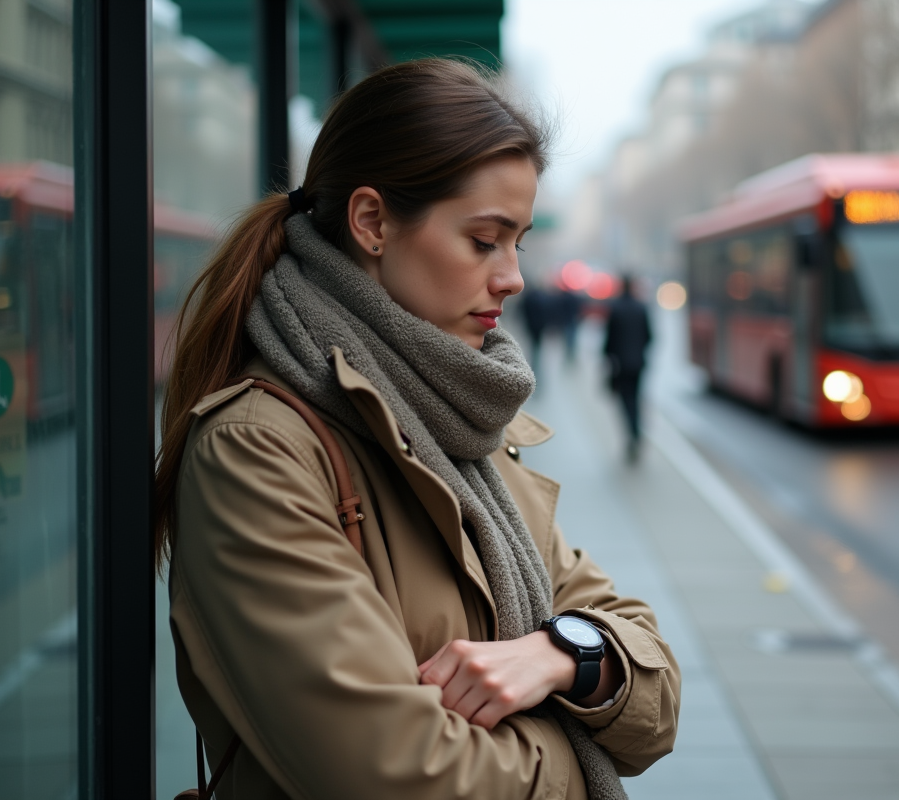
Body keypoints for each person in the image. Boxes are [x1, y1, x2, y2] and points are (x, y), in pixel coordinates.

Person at [154, 60, 678, 800]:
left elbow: (655, 695)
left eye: (518, 242)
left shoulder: (468, 421)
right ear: (372, 222)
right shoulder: (257, 449)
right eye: (484, 240)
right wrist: (572, 741)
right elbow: (397, 775)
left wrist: (565, 655)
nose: (513, 277)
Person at [603, 275, 652, 463]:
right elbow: (650, 336)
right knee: (636, 400)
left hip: (620, 365)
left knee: (625, 401)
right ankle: (636, 433)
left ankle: (631, 435)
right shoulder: (641, 308)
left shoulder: (615, 308)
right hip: (638, 364)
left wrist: (609, 357)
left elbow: (609, 340)